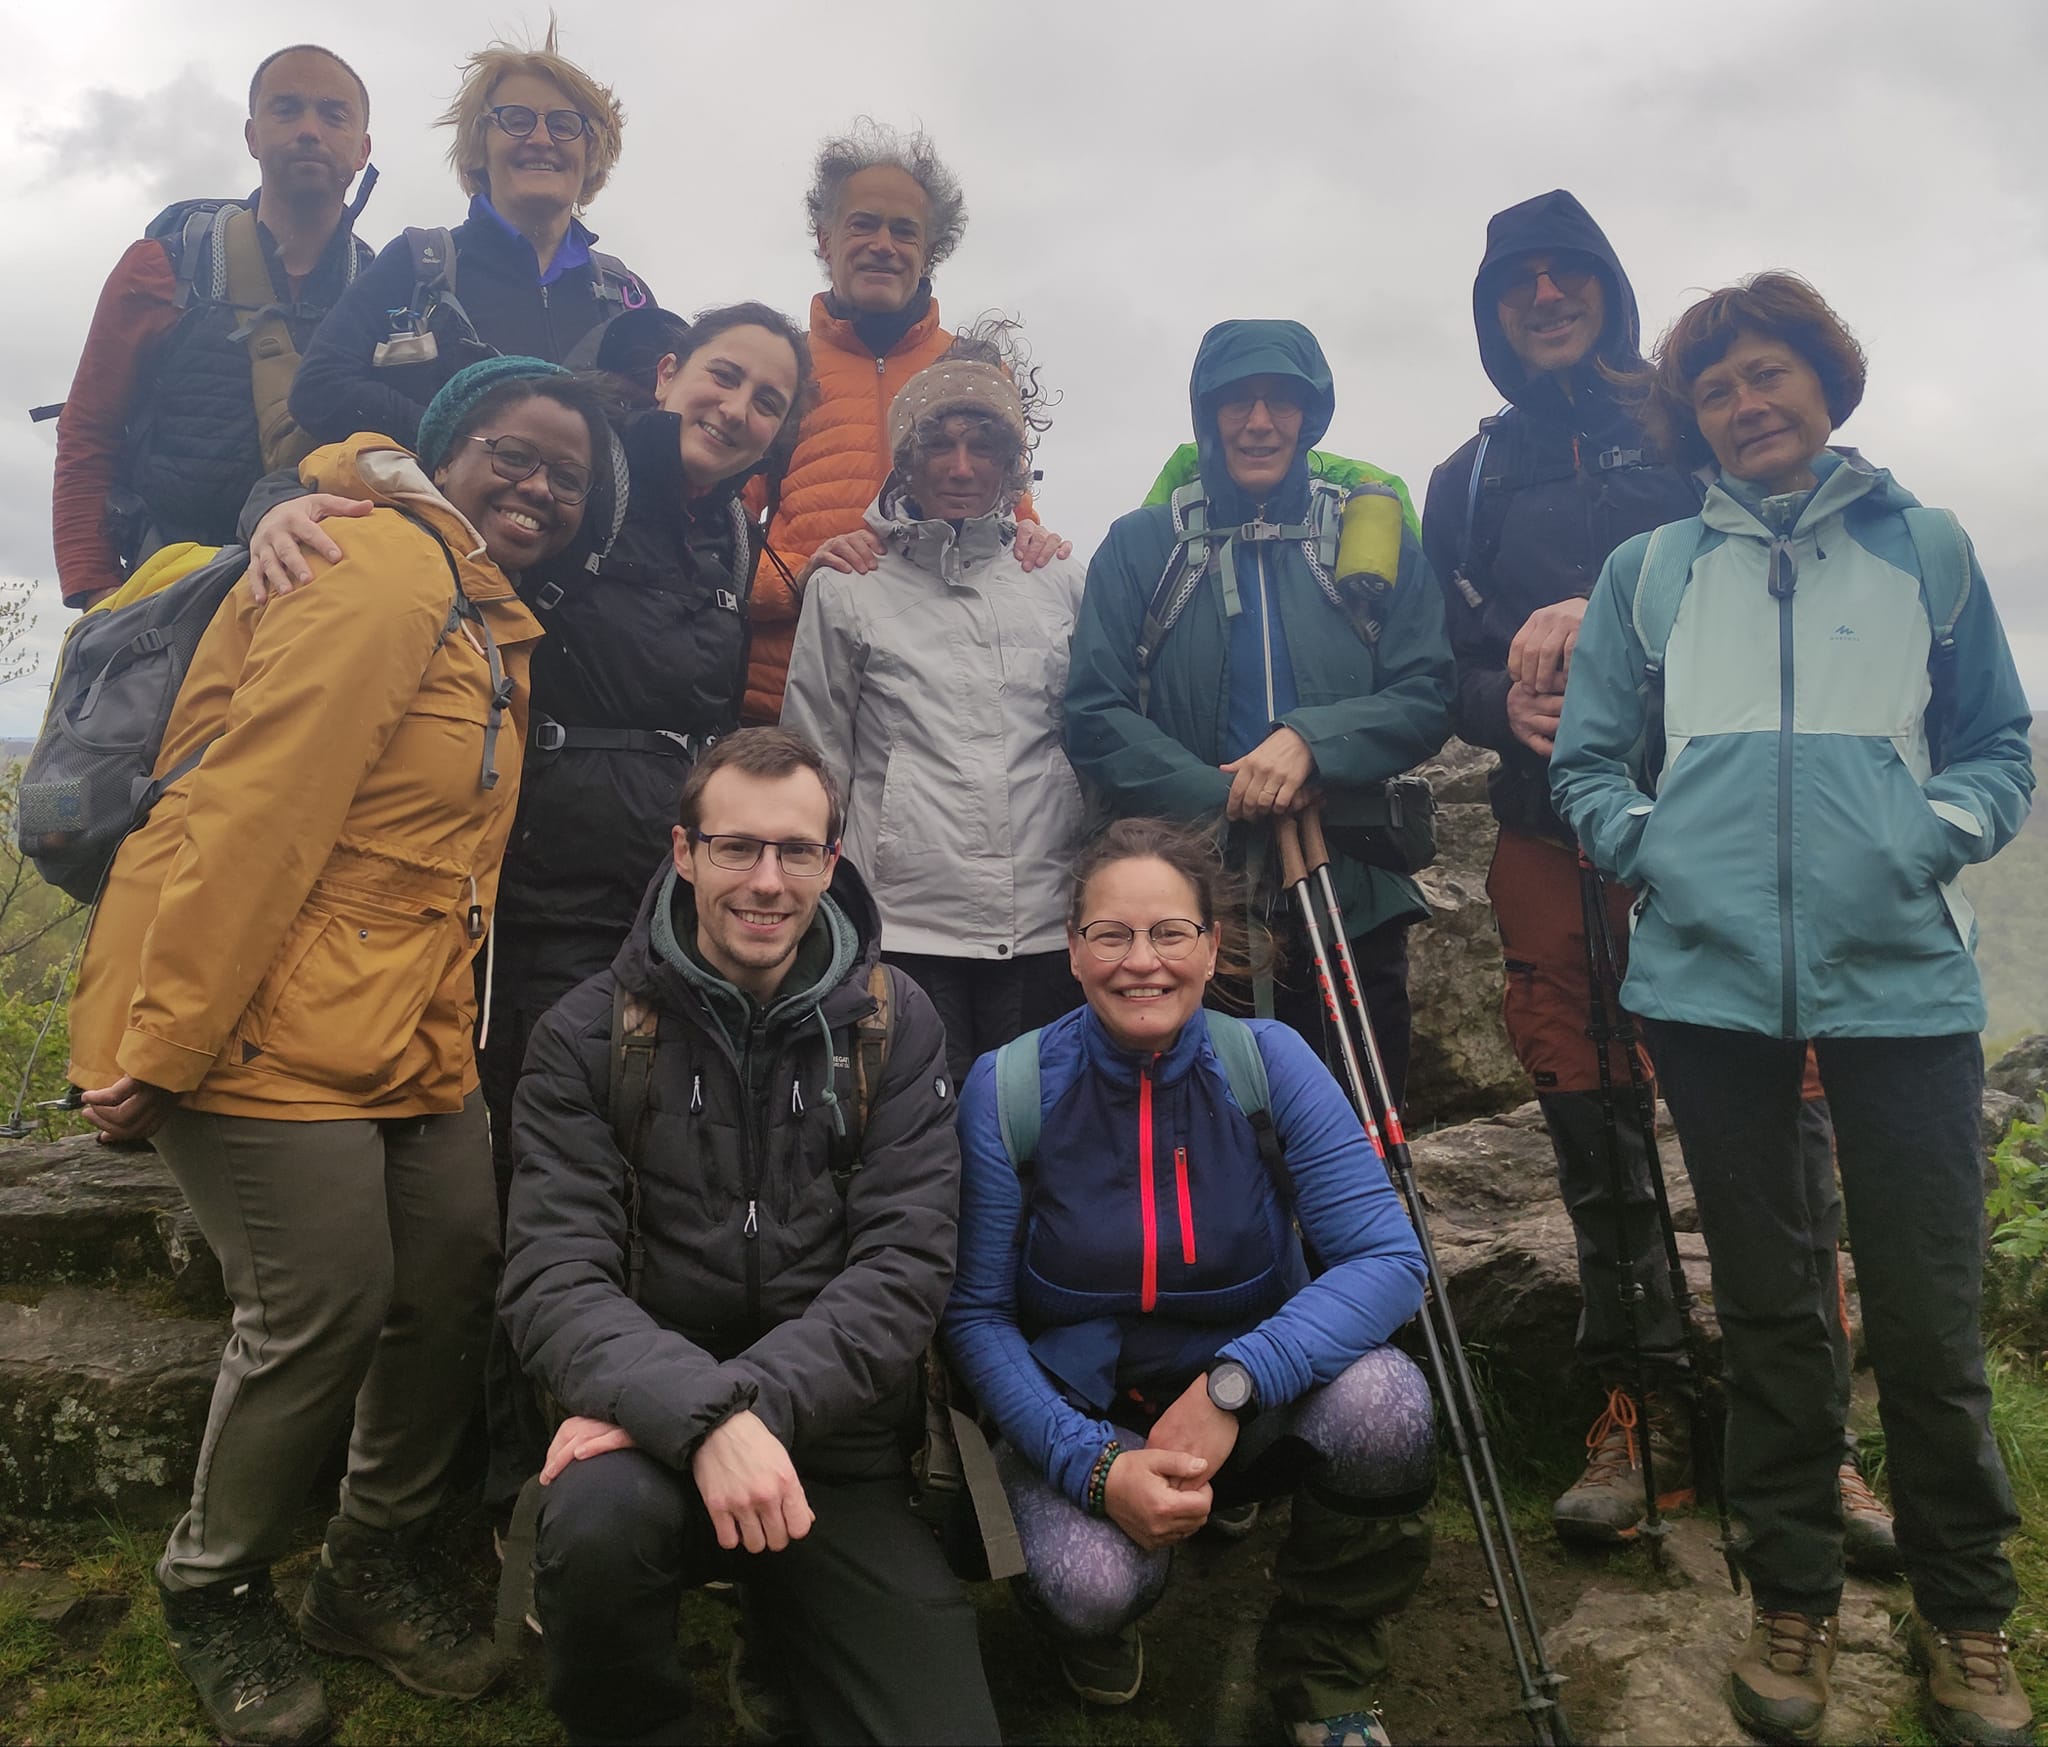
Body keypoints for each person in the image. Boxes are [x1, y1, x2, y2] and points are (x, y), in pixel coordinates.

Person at [64, 356, 608, 1747]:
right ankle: (213, 1581)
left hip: (390, 1015)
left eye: (568, 471)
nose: (540, 484)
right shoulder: (379, 568)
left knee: (452, 1259)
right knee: (327, 1297)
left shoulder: (480, 610)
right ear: (443, 451)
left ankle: (366, 1562)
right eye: (513, 452)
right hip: (244, 1008)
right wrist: (166, 1038)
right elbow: (260, 808)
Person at [1552, 273, 2036, 1747]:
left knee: (1931, 1315)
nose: (1750, 405)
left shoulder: (1929, 549)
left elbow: (2002, 748)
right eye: (1718, 390)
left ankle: (1967, 1617)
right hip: (1705, 987)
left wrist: (1924, 833)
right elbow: (1585, 769)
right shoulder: (1648, 570)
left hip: (1901, 978)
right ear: (1692, 420)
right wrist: (1660, 852)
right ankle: (1795, 1598)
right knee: (1768, 1307)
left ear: (1827, 383)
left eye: (1771, 376)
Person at [239, 300, 814, 1515]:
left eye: (769, 400)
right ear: (668, 373)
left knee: (643, 1177)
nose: (738, 410)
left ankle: (608, 1450)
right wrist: (279, 503)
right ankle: (499, 1485)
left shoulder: (728, 532)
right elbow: (406, 489)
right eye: (723, 377)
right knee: (530, 1187)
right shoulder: (585, 480)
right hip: (544, 889)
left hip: (658, 899)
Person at [1420, 192, 1896, 1565]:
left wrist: (1611, 610)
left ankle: (1810, 1433)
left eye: (1571, 273)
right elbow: (1438, 656)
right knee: (1595, 1122)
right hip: (1539, 833)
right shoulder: (1470, 475)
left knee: (1775, 1115)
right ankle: (1638, 1414)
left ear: (1609, 288)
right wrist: (1486, 699)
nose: (1549, 293)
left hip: (1718, 822)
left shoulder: (1681, 421)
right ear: (1494, 308)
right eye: (1521, 281)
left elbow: (1778, 566)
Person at [499, 727, 1001, 1746]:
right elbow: (552, 1278)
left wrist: (748, 1414)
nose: (765, 881)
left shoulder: (895, 1026)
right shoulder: (585, 1036)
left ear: (831, 861)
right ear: (683, 853)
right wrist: (696, 1416)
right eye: (736, 848)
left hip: (834, 1441)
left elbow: (903, 1272)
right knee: (593, 1526)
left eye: (795, 851)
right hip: (638, 1430)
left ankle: (786, 1634)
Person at [945, 818, 1436, 1747]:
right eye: (1113, 935)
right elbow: (975, 1315)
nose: (1144, 962)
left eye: (1171, 932)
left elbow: (1387, 1258)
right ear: (1073, 948)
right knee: (1092, 1585)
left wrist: (1235, 1383)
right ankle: (1083, 1614)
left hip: (1245, 1392)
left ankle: (1324, 1672)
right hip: (1084, 1410)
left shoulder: (1269, 1062)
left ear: (1213, 947)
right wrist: (1092, 1464)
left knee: (1387, 1404)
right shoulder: (1008, 1088)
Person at [1064, 318, 1455, 1102]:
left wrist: (1311, 743)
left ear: (1313, 416)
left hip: (1352, 892)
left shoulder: (1366, 539)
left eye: (1283, 401)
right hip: (1193, 898)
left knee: (1355, 1123)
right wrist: (1228, 794)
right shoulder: (1142, 545)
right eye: (1236, 400)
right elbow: (1092, 713)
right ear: (1206, 413)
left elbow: (1427, 691)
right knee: (1208, 1131)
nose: (1259, 422)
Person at [781, 330, 1084, 1085]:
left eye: (983, 446)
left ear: (1014, 462)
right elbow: (815, 760)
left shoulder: (1060, 578)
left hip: (1047, 921)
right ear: (903, 459)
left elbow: (1087, 739)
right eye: (937, 444)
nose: (959, 466)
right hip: (905, 923)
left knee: (1042, 1133)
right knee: (921, 1136)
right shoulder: (848, 584)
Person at [742, 119, 1065, 724]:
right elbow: (713, 538)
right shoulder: (779, 366)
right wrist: (794, 582)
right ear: (824, 237)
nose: (883, 244)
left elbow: (1009, 512)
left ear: (929, 250)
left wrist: (1036, 540)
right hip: (787, 698)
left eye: (904, 230)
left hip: (941, 705)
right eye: (862, 223)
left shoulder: (973, 366)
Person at [50, 44, 374, 609]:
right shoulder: (160, 268)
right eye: (285, 109)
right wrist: (96, 593)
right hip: (166, 594)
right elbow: (87, 432)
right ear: (251, 136)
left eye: (332, 114)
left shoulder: (382, 290)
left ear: (362, 149)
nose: (308, 130)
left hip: (323, 597)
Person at [290, 27, 649, 451]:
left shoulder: (626, 300)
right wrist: (459, 442)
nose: (540, 139)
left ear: (592, 153)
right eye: (515, 120)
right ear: (479, 146)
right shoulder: (416, 264)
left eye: (564, 124)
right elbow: (317, 388)